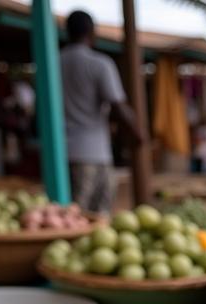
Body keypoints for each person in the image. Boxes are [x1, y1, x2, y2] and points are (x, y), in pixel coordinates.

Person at [59, 10, 141, 212]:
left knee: (71, 215)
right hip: (93, 152)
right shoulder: (99, 63)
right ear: (92, 32)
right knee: (97, 217)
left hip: (62, 152)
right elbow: (118, 106)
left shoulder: (54, 62)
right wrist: (139, 134)